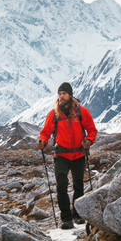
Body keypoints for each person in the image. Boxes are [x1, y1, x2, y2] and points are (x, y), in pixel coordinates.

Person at [37, 82, 97, 229]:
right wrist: (42, 142)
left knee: (78, 185)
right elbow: (45, 132)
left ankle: (77, 215)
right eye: (59, 94)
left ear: (70, 95)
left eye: (63, 94)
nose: (61, 96)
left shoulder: (82, 112)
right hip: (61, 155)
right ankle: (66, 219)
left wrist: (89, 141)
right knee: (61, 186)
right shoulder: (54, 114)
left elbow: (92, 130)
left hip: (78, 154)